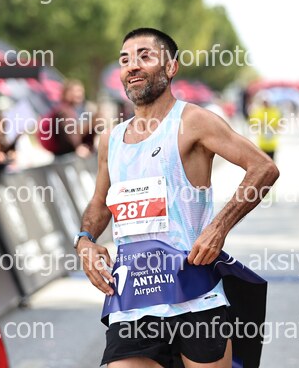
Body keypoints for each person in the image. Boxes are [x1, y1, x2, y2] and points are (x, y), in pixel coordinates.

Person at [75, 28, 279, 368]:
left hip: (195, 294)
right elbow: (100, 202)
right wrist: (85, 240)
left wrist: (218, 228)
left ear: (171, 67)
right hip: (134, 299)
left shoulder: (193, 122)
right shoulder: (112, 139)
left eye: (144, 56)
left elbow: (263, 168)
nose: (132, 66)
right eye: (125, 60)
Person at [38, 79, 95, 158]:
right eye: (76, 91)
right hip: (63, 151)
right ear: (66, 93)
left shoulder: (69, 109)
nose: (80, 94)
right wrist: (78, 147)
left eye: (81, 91)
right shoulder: (64, 111)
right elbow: (70, 131)